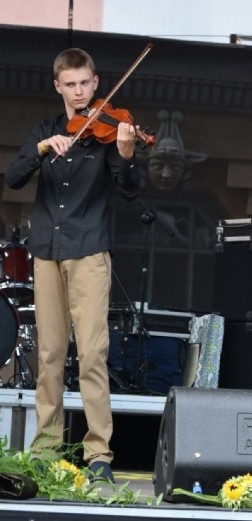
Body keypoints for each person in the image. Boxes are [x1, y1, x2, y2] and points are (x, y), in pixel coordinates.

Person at [5, 48, 140, 483]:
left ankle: (98, 453)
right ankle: (45, 449)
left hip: (89, 252)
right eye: (71, 84)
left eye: (86, 83)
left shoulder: (109, 131)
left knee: (93, 355)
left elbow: (130, 190)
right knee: (49, 355)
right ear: (58, 86)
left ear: (96, 84)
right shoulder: (45, 131)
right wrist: (43, 148)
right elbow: (13, 177)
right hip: (46, 251)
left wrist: (127, 153)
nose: (80, 92)